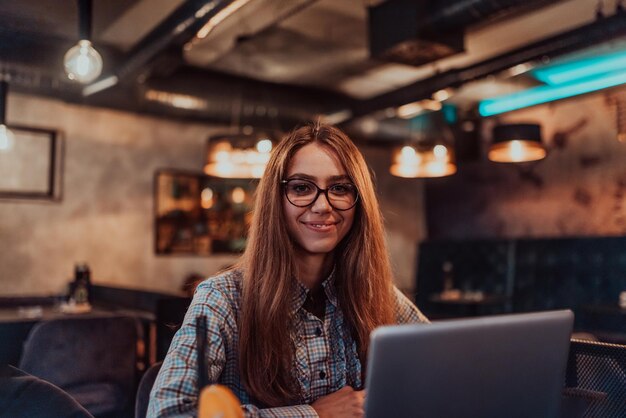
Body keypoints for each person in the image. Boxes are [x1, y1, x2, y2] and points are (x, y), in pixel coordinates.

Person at [148, 123, 429, 418]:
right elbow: (167, 413)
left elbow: (442, 366)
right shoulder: (221, 298)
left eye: (340, 188)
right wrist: (314, 415)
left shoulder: (374, 292)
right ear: (276, 201)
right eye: (301, 187)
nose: (323, 205)